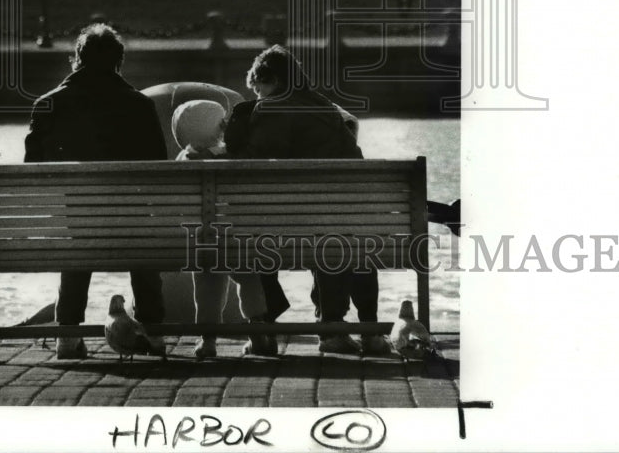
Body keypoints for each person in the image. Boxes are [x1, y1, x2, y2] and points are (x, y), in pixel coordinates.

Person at [224, 45, 390, 356]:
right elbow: (355, 160)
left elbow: (256, 165)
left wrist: (228, 145)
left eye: (258, 86)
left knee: (251, 231)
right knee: (345, 237)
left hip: (285, 233)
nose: (256, 94)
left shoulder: (270, 110)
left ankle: (266, 327)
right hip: (338, 225)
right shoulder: (326, 107)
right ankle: (356, 330)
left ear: (271, 80)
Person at [24, 23, 168, 359]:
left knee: (78, 235)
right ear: (118, 63)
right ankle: (155, 335)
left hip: (76, 221)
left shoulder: (49, 104)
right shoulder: (140, 106)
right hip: (132, 222)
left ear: (77, 59)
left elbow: (33, 168)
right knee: (142, 238)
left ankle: (68, 338)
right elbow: (159, 169)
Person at [172, 98, 277, 359]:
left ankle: (207, 339)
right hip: (237, 240)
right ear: (218, 128)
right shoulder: (233, 157)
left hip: (199, 242)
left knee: (206, 282)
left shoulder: (181, 160)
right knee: (249, 277)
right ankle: (257, 333)